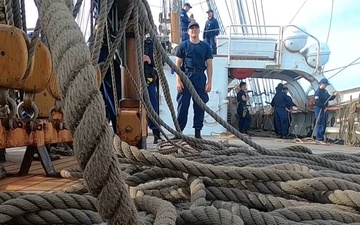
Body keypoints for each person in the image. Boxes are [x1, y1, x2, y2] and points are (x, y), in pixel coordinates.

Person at [175, 21, 213, 139]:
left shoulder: (206, 47)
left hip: (200, 76)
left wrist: (209, 82)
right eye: (192, 28)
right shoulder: (183, 46)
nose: (194, 30)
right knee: (183, 106)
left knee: (199, 106)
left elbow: (210, 65)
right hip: (186, 76)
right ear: (188, 31)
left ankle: (198, 133)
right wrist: (178, 80)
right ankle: (179, 132)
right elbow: (178, 64)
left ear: (199, 30)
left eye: (196, 28)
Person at [144, 35, 164, 144]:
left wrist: (149, 60)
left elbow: (160, 62)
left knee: (153, 106)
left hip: (148, 81)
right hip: (129, 81)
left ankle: (157, 135)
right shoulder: (125, 41)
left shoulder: (152, 44)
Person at [314, 78, 338, 144]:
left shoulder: (325, 91)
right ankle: (318, 138)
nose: (326, 86)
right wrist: (324, 107)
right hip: (319, 109)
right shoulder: (317, 92)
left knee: (323, 123)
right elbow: (317, 102)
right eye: (325, 84)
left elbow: (329, 98)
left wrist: (334, 96)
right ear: (321, 84)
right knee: (319, 123)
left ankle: (321, 138)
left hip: (324, 109)